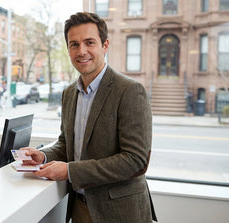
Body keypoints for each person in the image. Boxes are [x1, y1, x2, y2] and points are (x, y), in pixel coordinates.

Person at [22, 12, 157, 222]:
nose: (81, 51)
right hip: (79, 208)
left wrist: (69, 171)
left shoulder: (130, 91)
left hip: (120, 213)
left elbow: (135, 161)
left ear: (105, 45)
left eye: (89, 42)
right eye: (74, 44)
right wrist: (44, 156)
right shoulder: (69, 93)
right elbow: (67, 144)